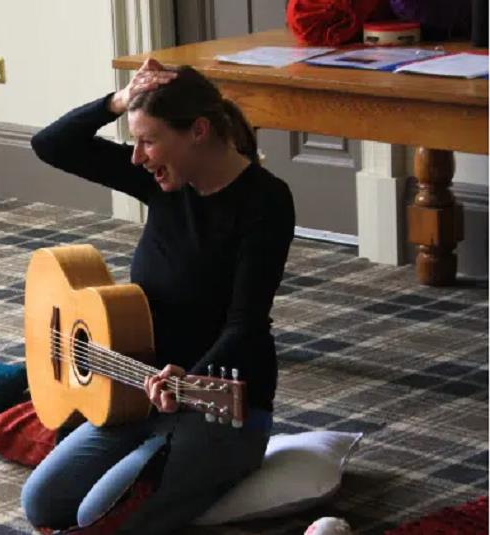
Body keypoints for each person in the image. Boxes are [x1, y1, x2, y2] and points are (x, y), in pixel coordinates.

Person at [21, 59, 295, 532]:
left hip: (222, 399)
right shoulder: (162, 183)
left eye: (148, 140)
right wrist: (119, 100)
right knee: (42, 504)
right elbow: (51, 144)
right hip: (136, 391)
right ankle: (160, 459)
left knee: (98, 517)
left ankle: (211, 464)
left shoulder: (265, 201)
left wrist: (188, 376)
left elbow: (246, 324)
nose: (137, 157)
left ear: (198, 131)